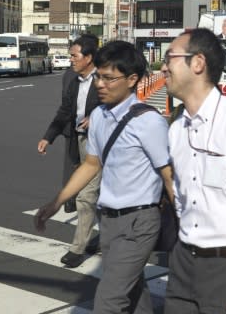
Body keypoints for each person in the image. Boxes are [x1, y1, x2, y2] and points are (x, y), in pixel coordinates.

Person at [35, 41, 173, 313]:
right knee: (133, 291)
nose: (100, 83)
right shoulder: (98, 115)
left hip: (139, 222)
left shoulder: (148, 122)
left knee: (109, 300)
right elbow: (90, 164)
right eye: (99, 76)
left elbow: (169, 176)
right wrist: (55, 203)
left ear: (132, 79)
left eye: (109, 78)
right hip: (108, 220)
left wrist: (189, 225)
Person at [161, 28, 226, 312]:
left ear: (197, 63)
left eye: (169, 57)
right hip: (182, 261)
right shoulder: (176, 129)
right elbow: (181, 196)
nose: (163, 66)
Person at [36, 34, 101, 268]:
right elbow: (64, 110)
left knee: (86, 195)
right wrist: (48, 137)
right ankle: (103, 237)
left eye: (75, 55)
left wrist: (97, 117)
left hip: (101, 145)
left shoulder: (105, 78)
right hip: (79, 141)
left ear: (89, 57)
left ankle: (77, 249)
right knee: (96, 194)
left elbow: (117, 103)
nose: (71, 59)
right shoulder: (74, 81)